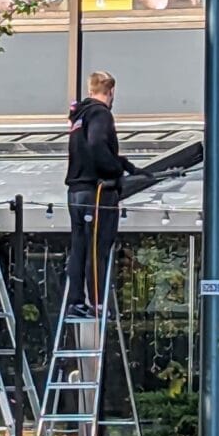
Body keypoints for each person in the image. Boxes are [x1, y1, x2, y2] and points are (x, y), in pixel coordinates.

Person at [65, 71, 150, 318]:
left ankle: (76, 301)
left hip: (77, 190)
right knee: (98, 247)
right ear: (111, 92)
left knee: (79, 245)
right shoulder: (100, 114)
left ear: (90, 90)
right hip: (98, 190)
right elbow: (97, 144)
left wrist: (124, 163)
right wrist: (114, 171)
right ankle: (97, 303)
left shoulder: (80, 116)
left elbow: (88, 148)